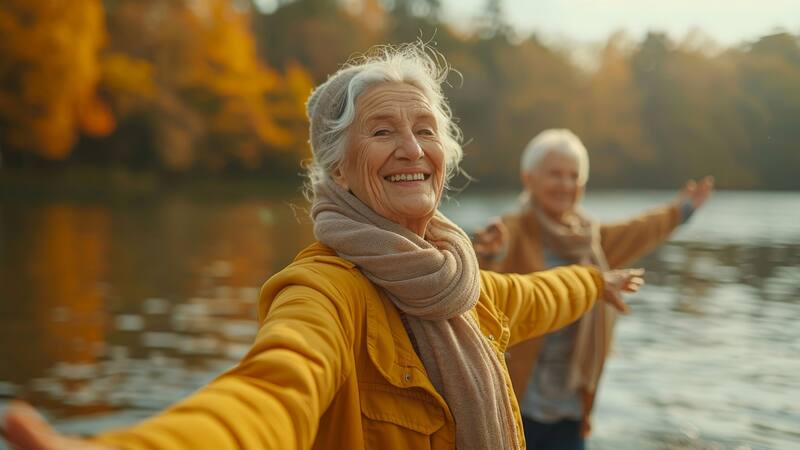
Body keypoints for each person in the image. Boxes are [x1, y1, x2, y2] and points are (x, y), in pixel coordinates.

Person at [1, 45, 645, 450]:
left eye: (425, 130)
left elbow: (539, 292)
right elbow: (269, 391)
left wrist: (595, 282)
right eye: (383, 131)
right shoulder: (324, 291)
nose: (412, 149)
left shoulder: (463, 283)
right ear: (337, 166)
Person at [472, 128, 714, 450]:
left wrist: (682, 211)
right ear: (529, 179)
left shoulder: (590, 241)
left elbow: (638, 231)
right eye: (555, 174)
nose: (565, 185)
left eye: (574, 176)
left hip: (572, 412)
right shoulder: (512, 230)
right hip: (512, 409)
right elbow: (483, 288)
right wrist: (487, 254)